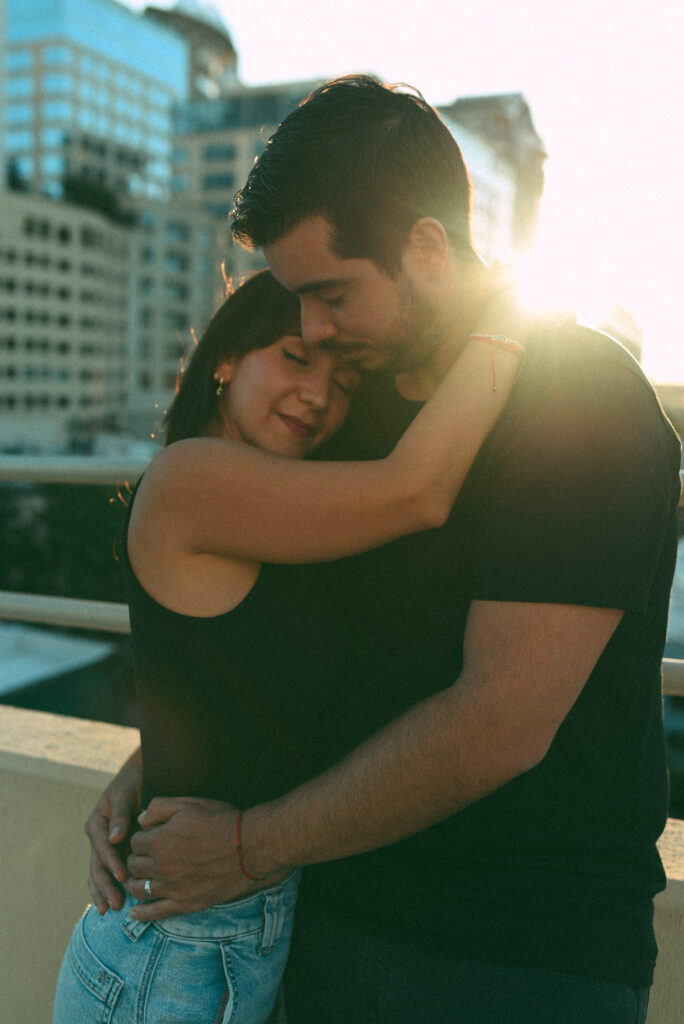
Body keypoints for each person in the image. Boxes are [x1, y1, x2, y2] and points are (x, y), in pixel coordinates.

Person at [85, 77, 681, 1023]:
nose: (315, 331)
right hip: (321, 928)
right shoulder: (352, 409)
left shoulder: (583, 400)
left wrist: (247, 843)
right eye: (295, 309)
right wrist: (165, 766)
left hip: (518, 957)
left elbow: (500, 722)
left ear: (427, 247)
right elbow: (278, 646)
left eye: (330, 293)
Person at [55, 267, 525, 1024]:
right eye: (296, 358)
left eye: (344, 383)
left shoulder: (270, 503)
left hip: (226, 940)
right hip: (173, 956)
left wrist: (145, 766)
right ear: (225, 359)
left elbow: (229, 680)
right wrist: (514, 315)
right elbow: (418, 488)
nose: (319, 396)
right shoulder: (188, 479)